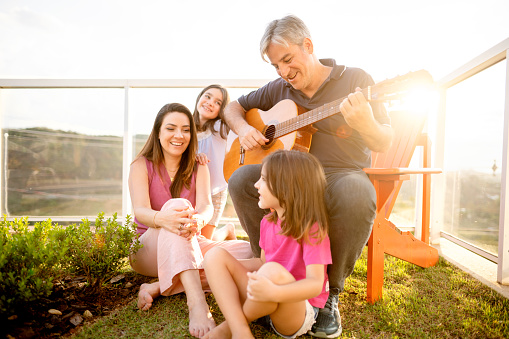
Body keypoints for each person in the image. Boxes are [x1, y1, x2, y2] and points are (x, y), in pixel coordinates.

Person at [225, 15, 393, 338]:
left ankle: (330, 295)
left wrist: (365, 122)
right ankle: (268, 272)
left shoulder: (356, 79)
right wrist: (245, 129)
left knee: (358, 192)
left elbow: (383, 140)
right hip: (289, 181)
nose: (284, 72)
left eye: (287, 60)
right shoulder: (280, 89)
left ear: (308, 46)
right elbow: (233, 107)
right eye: (276, 66)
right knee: (241, 179)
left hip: (339, 176)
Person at [128, 103, 253, 338]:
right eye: (171, 128)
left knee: (248, 253)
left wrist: (199, 221)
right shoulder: (140, 165)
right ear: (158, 132)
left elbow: (206, 207)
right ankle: (197, 304)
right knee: (178, 206)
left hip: (187, 240)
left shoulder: (199, 165)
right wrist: (163, 218)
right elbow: (141, 210)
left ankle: (158, 287)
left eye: (186, 130)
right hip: (147, 248)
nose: (179, 135)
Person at [202, 150, 332, 339]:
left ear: (286, 187)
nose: (256, 184)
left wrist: (276, 292)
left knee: (272, 271)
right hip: (263, 302)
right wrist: (227, 267)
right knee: (215, 256)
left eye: (263, 179)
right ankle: (241, 331)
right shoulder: (268, 222)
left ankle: (231, 328)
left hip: (295, 309)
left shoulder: (312, 229)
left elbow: (314, 284)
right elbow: (261, 263)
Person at [192, 84, 236, 241]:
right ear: (200, 97)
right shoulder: (185, 128)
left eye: (218, 102)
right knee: (192, 241)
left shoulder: (221, 128)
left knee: (204, 244)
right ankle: (227, 230)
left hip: (215, 192)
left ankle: (227, 230)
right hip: (190, 191)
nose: (210, 103)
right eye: (208, 96)